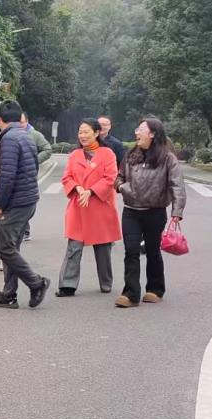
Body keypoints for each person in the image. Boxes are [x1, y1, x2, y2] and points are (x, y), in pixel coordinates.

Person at [114, 117, 186, 307]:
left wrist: (177, 211)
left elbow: (177, 185)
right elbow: (119, 177)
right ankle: (130, 294)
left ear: (152, 134)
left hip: (155, 212)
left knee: (153, 251)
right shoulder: (131, 155)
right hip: (131, 211)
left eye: (141, 129)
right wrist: (121, 187)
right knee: (131, 251)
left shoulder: (167, 158)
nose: (136, 132)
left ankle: (155, 289)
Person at [0, 99, 49, 309]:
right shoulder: (26, 135)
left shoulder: (10, 139)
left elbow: (7, 176)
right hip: (28, 199)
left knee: (3, 248)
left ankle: (37, 283)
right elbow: (32, 166)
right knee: (11, 248)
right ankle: (9, 293)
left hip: (17, 203)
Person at [56, 118, 120, 296]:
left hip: (100, 207)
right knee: (73, 247)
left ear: (97, 133)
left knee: (103, 249)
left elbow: (110, 177)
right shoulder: (75, 155)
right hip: (78, 207)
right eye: (80, 132)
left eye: (86, 132)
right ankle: (67, 285)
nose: (82, 135)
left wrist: (91, 191)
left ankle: (106, 282)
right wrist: (77, 188)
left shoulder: (107, 154)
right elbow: (67, 177)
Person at [19, 108, 51, 241]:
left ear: (27, 121)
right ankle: (20, 230)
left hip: (28, 175)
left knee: (25, 202)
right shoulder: (9, 134)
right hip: (13, 174)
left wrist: (34, 161)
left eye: (22, 122)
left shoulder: (35, 135)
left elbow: (47, 149)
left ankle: (25, 231)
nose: (19, 125)